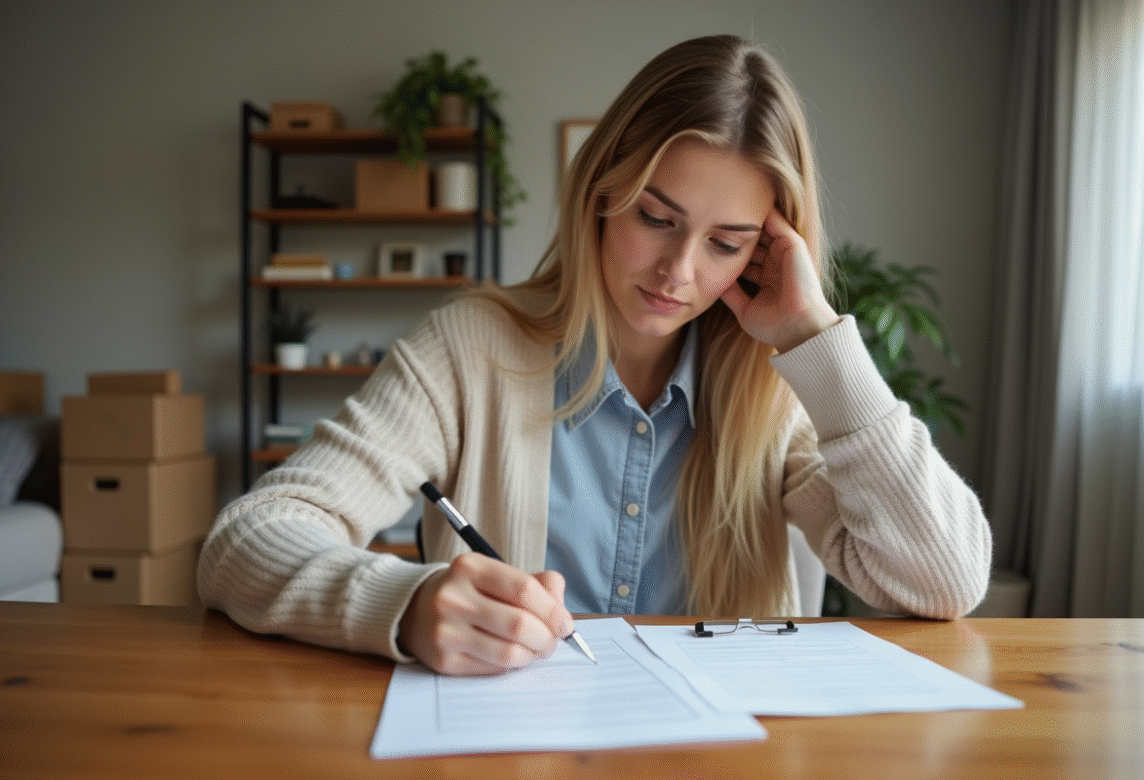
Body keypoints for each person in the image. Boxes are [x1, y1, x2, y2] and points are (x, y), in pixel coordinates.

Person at [198, 34, 992, 676]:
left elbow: (943, 581)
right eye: (656, 216)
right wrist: (402, 603)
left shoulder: (778, 388)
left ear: (766, 253)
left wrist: (817, 341)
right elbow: (246, 541)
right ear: (601, 190)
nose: (678, 273)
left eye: (726, 243)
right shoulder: (468, 349)